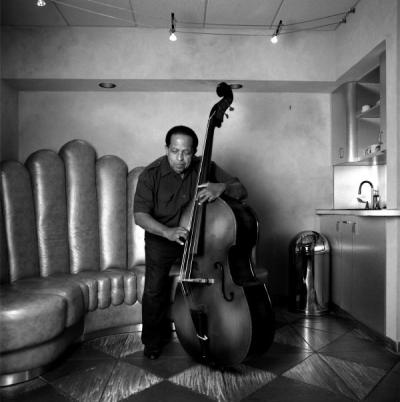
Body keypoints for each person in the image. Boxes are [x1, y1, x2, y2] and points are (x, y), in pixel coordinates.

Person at [133, 125, 247, 359]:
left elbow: (241, 189)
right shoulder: (150, 174)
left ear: (194, 152)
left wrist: (222, 187)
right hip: (162, 238)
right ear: (167, 149)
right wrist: (167, 232)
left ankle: (214, 333)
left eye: (186, 152)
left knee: (211, 282)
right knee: (154, 289)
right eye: (175, 151)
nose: (180, 158)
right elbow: (140, 216)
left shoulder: (206, 167)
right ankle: (152, 342)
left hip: (198, 238)